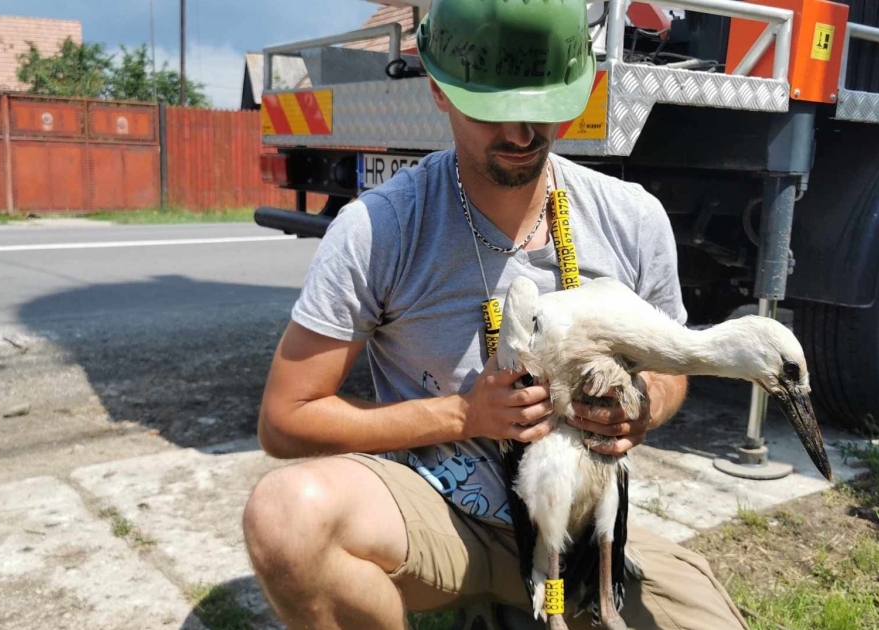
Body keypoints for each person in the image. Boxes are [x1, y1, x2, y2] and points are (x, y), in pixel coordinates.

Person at [242, 1, 750, 629]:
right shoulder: (381, 228)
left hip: (578, 525)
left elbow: (672, 370)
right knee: (287, 519)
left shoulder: (631, 219)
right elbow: (285, 419)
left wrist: (642, 407)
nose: (520, 134)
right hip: (438, 516)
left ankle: (542, 600)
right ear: (439, 92)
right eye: (492, 109)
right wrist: (460, 416)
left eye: (542, 106)